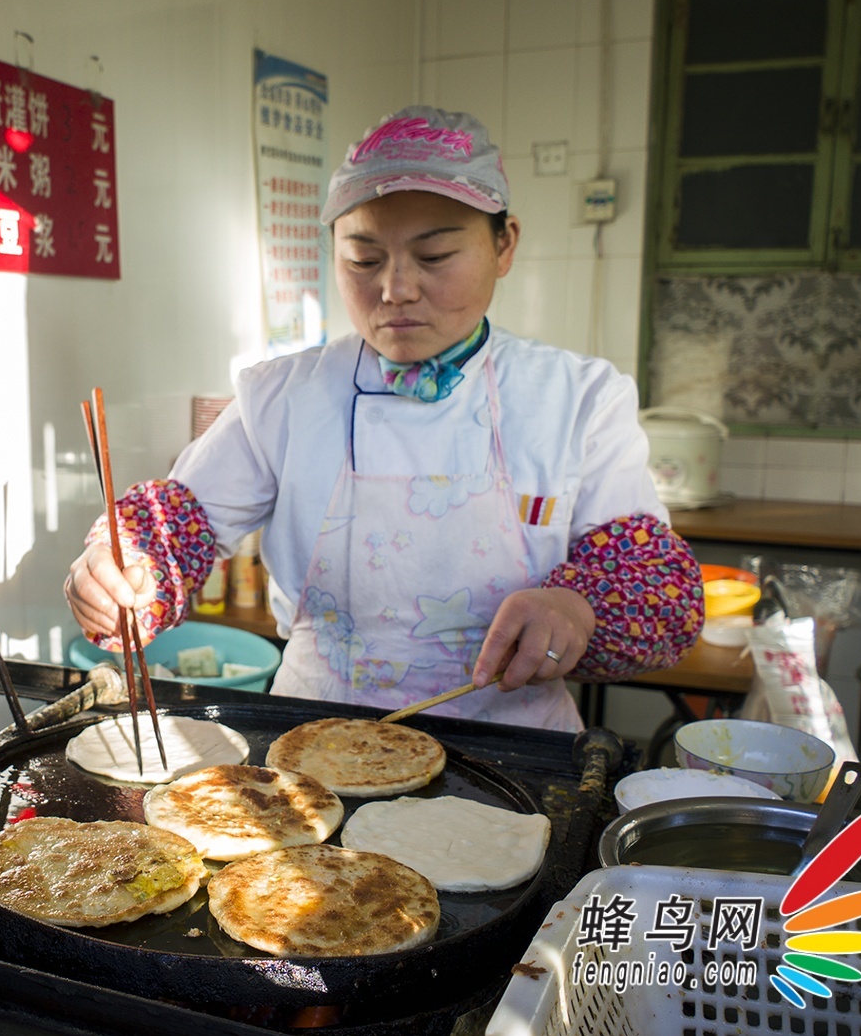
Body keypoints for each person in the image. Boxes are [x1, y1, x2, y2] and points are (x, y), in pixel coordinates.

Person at [63, 106, 703, 730]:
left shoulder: (579, 399)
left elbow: (651, 584)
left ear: (504, 244)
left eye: (434, 256)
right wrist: (124, 572)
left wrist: (576, 607)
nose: (396, 288)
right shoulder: (283, 396)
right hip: (313, 743)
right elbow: (179, 527)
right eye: (364, 260)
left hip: (516, 750)